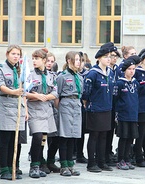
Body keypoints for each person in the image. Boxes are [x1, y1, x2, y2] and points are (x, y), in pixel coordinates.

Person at [0, 45, 28, 180]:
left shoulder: (20, 70)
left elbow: (25, 87)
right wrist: (14, 92)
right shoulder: (0, 68)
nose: (16, 56)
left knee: (16, 139)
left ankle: (13, 166)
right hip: (6, 103)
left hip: (17, 105)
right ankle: (4, 169)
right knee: (5, 138)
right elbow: (1, 86)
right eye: (13, 53)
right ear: (7, 54)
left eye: (18, 54)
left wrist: (25, 108)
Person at [83, 42, 116, 172]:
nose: (109, 59)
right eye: (106, 56)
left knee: (104, 136)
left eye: (110, 56)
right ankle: (91, 163)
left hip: (107, 108)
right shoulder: (93, 73)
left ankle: (101, 161)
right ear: (99, 58)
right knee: (94, 136)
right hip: (95, 109)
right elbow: (86, 93)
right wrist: (88, 104)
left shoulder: (110, 73)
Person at [26, 49, 58, 178]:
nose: (34, 61)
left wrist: (46, 96)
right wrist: (38, 96)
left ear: (44, 60)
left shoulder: (51, 75)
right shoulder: (30, 75)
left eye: (37, 58)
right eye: (33, 58)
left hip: (47, 109)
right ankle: (33, 166)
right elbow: (24, 92)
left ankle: (40, 163)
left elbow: (55, 91)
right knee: (37, 136)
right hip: (34, 108)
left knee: (43, 138)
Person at [56, 51, 83, 176]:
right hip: (66, 104)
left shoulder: (80, 77)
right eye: (76, 59)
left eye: (79, 60)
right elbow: (58, 94)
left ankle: (70, 164)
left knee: (73, 136)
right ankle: (64, 165)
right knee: (65, 136)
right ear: (69, 61)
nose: (78, 62)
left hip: (76, 105)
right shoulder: (62, 76)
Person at [113, 56, 140, 170]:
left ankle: (127, 159)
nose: (132, 71)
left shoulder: (135, 83)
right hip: (123, 115)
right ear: (124, 70)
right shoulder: (119, 83)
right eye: (129, 69)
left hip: (133, 115)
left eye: (133, 69)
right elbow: (115, 99)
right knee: (123, 138)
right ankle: (120, 160)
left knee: (131, 138)